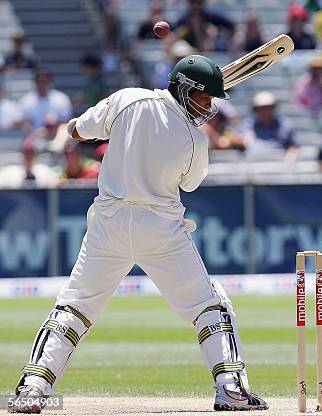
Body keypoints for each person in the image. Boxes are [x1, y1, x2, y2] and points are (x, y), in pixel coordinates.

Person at [7, 55, 268, 413]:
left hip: (109, 225)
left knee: (74, 307)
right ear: (182, 87)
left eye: (210, 101)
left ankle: (32, 390)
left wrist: (72, 129)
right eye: (203, 98)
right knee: (210, 307)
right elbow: (189, 184)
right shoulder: (195, 141)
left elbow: (81, 129)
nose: (206, 108)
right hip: (161, 230)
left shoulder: (128, 98)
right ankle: (231, 389)